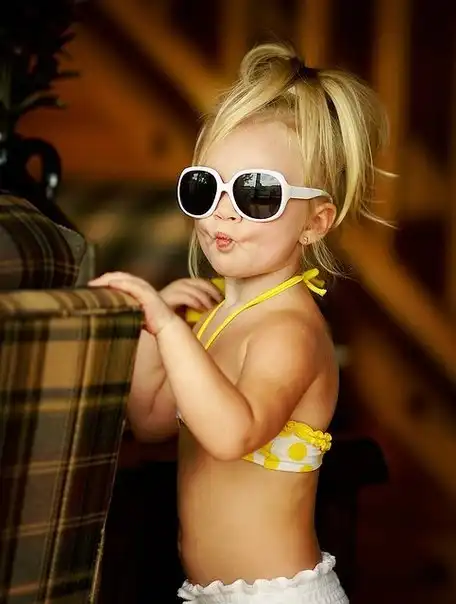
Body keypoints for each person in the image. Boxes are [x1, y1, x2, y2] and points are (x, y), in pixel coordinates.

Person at [90, 42, 389, 603]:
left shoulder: (291, 331)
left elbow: (232, 434)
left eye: (257, 194)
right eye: (205, 187)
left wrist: (171, 330)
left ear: (315, 222)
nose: (222, 210)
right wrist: (154, 329)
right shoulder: (214, 317)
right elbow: (150, 420)